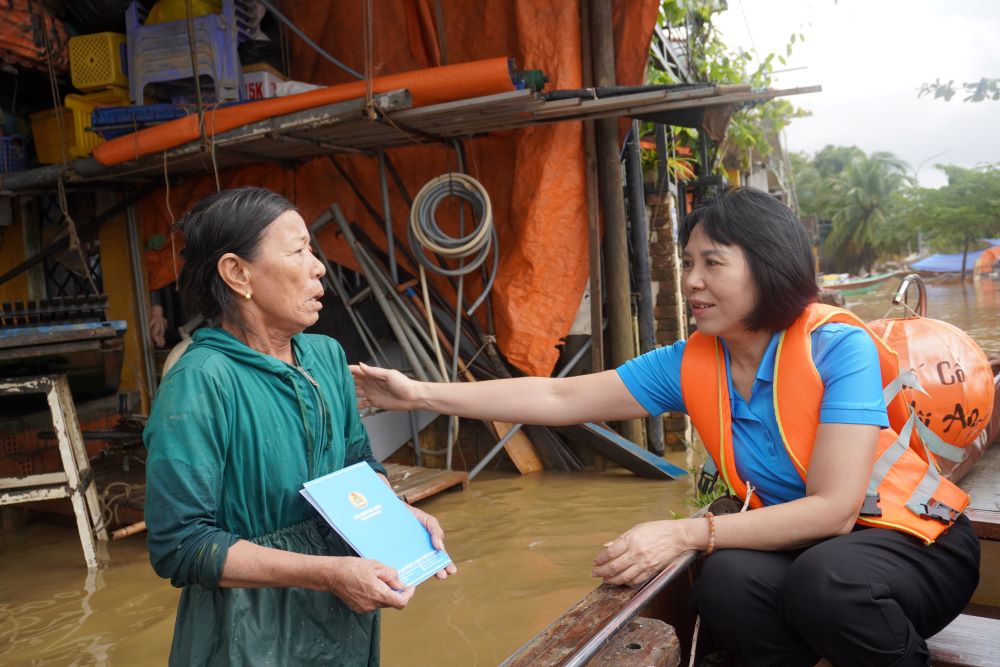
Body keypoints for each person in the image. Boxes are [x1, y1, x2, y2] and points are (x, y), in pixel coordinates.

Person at [352, 187, 980, 666]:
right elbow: (558, 393)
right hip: (811, 551)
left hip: (912, 548)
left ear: (767, 265)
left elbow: (835, 511)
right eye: (686, 263)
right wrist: (419, 390)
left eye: (712, 263)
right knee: (728, 583)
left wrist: (684, 531)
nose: (691, 281)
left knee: (825, 581)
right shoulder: (691, 361)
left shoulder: (838, 347)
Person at [144, 186, 456, 667]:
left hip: (340, 612)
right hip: (247, 627)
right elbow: (181, 545)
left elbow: (358, 461)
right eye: (298, 250)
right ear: (237, 272)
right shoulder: (200, 381)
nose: (319, 266)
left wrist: (394, 515)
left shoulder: (327, 357)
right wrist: (327, 574)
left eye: (312, 249)